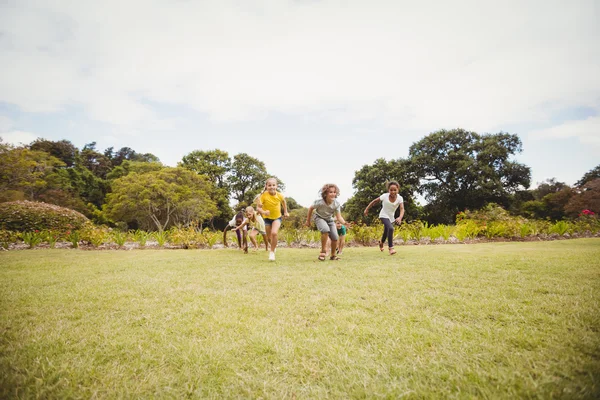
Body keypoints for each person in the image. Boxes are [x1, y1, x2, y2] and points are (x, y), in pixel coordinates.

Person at [305, 183, 348, 261]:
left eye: (334, 192)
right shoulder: (319, 202)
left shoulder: (336, 204)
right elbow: (310, 208)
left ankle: (333, 255)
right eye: (330, 192)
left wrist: (345, 223)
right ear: (325, 194)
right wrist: (308, 221)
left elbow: (339, 217)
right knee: (325, 230)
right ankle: (323, 252)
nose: (333, 194)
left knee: (335, 237)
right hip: (319, 217)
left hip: (329, 219)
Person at [363, 181, 404, 255]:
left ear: (398, 190)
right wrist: (367, 209)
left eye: (395, 190)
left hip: (391, 217)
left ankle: (381, 242)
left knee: (386, 232)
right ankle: (391, 248)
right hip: (383, 215)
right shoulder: (384, 196)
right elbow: (375, 201)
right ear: (388, 190)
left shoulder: (400, 198)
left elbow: (402, 208)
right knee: (391, 228)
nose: (393, 192)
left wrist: (400, 217)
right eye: (391, 190)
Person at [256, 177, 289, 261]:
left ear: (276, 186)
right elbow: (258, 208)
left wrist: (285, 212)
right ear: (266, 186)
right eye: (269, 185)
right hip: (267, 218)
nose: (272, 187)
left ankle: (272, 252)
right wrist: (263, 212)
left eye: (273, 185)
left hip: (277, 218)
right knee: (269, 237)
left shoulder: (280, 195)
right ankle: (273, 246)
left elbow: (284, 202)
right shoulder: (263, 196)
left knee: (274, 233)